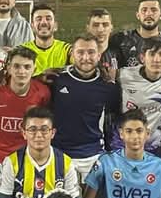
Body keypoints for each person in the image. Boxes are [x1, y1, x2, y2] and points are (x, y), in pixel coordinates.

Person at [0, 47, 51, 198]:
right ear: (9, 68)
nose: (21, 71)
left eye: (27, 67)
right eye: (17, 66)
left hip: (26, 158)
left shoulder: (42, 93)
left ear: (34, 68)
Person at [49, 33, 121, 180]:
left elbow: (113, 114)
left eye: (91, 52)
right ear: (72, 55)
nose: (86, 57)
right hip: (59, 153)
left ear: (99, 56)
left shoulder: (108, 86)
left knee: (93, 195)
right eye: (80, 52)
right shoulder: (56, 79)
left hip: (92, 154)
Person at [0, 106, 78, 198]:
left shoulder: (66, 164)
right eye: (32, 129)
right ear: (24, 133)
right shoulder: (11, 162)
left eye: (44, 130)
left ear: (52, 133)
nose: (38, 135)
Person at [111, 36, 161, 158]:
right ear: (142, 58)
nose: (156, 59)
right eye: (151, 54)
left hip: (156, 144)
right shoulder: (124, 75)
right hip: (125, 143)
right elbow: (106, 75)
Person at [112, 0, 161, 68]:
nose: (148, 14)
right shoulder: (121, 39)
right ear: (138, 15)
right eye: (144, 10)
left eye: (154, 10)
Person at [20, 3, 70, 75]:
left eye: (48, 19)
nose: (44, 22)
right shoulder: (22, 50)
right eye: (39, 19)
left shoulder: (66, 49)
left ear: (55, 26)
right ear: (32, 26)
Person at [85, 7, 119, 77]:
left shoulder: (119, 54)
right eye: (95, 25)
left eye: (105, 25)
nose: (100, 30)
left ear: (111, 28)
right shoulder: (79, 55)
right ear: (88, 28)